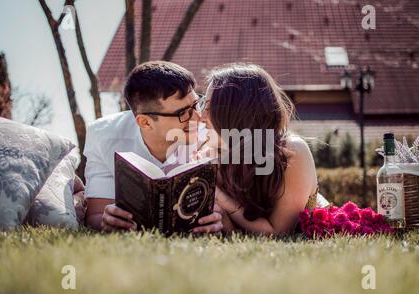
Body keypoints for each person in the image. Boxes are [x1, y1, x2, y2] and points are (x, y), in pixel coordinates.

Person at [83, 61, 222, 233]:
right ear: (145, 122)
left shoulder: (210, 134)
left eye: (196, 105)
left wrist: (215, 219)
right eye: (182, 113)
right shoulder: (103, 136)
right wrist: (106, 221)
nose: (198, 118)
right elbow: (95, 214)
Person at [198, 63, 330, 235]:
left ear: (237, 113)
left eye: (209, 108)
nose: (201, 117)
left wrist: (218, 196)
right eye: (202, 105)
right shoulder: (216, 151)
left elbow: (279, 232)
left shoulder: (292, 152)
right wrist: (221, 217)